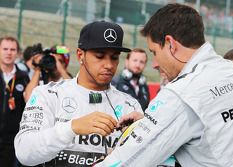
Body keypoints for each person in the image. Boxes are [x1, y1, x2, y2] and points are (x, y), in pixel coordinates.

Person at [95, 3, 233, 167]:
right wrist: (149, 122)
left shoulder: (181, 94)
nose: (154, 64)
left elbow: (126, 161)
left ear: (170, 44)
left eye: (154, 52)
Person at [14, 20, 143, 167]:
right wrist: (71, 128)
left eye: (114, 57)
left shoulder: (130, 106)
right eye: (100, 56)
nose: (109, 65)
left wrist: (139, 137)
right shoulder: (47, 94)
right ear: (80, 55)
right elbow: (24, 152)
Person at [0, 36, 30, 167]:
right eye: (5, 49)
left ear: (17, 53)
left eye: (12, 49)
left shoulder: (23, 77)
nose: (8, 52)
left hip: (10, 141)